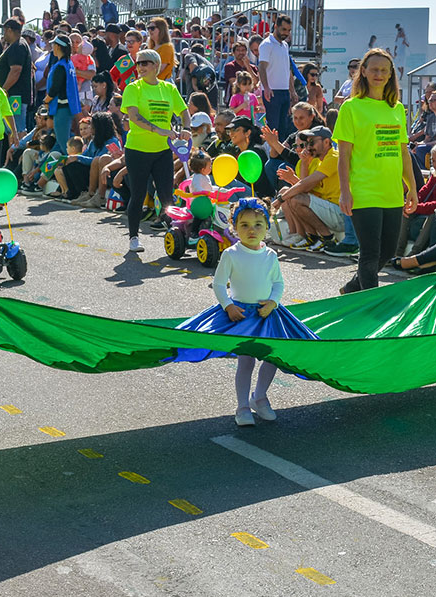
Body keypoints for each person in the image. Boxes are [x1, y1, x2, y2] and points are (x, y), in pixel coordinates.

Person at [172, 199, 319, 426]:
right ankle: (242, 406)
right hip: (240, 315)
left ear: (267, 226)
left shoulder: (270, 255)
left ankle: (259, 397)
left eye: (258, 224)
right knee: (246, 361)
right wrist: (228, 306)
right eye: (245, 225)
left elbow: (278, 283)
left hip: (267, 315)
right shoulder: (231, 254)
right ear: (234, 227)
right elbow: (219, 284)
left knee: (273, 357)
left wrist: (273, 302)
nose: (252, 230)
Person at [335, 48, 418, 294]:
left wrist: (412, 188)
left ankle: (352, 288)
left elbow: (404, 153)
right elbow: (344, 156)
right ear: (364, 71)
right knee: (370, 253)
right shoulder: (351, 108)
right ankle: (369, 305)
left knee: (389, 251)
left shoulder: (397, 109)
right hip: (364, 190)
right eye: (374, 69)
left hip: (392, 191)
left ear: (391, 73)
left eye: (384, 70)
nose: (379, 74)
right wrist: (345, 191)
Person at [120, 49, 190, 251]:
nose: (140, 66)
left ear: (156, 66)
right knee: (139, 194)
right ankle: (133, 237)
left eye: (145, 63)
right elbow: (133, 116)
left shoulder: (168, 89)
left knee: (167, 194)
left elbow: (184, 112)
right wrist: (159, 129)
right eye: (138, 63)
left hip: (162, 151)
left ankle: (176, 234)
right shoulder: (134, 88)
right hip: (138, 150)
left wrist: (186, 129)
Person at [273, 126, 343, 250]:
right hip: (330, 210)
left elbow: (303, 185)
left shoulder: (333, 157)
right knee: (294, 197)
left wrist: (280, 200)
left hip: (341, 213)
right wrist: (304, 163)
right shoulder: (320, 160)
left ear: (327, 142)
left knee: (296, 198)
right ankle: (313, 237)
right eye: (307, 143)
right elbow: (304, 188)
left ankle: (327, 238)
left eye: (312, 142)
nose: (308, 147)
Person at [44, 34, 82, 155]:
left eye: (53, 44)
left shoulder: (61, 65)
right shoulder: (68, 63)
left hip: (62, 107)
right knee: (62, 143)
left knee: (64, 144)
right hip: (67, 107)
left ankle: (73, 168)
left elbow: (55, 88)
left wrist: (46, 101)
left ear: (58, 47)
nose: (52, 47)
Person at [0, 19, 33, 134]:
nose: (4, 33)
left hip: (16, 96)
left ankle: (20, 152)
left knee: (17, 129)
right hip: (14, 95)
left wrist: (3, 90)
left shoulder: (18, 46)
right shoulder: (17, 45)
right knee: (12, 130)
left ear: (10, 30)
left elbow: (15, 71)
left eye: (4, 30)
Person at [259, 14, 295, 132]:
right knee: (273, 128)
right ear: (276, 26)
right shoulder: (266, 44)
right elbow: (262, 67)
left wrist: (292, 90)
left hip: (284, 92)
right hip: (272, 92)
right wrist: (267, 88)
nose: (286, 33)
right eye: (284, 29)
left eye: (289, 30)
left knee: (284, 128)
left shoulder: (285, 45)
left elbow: (287, 69)